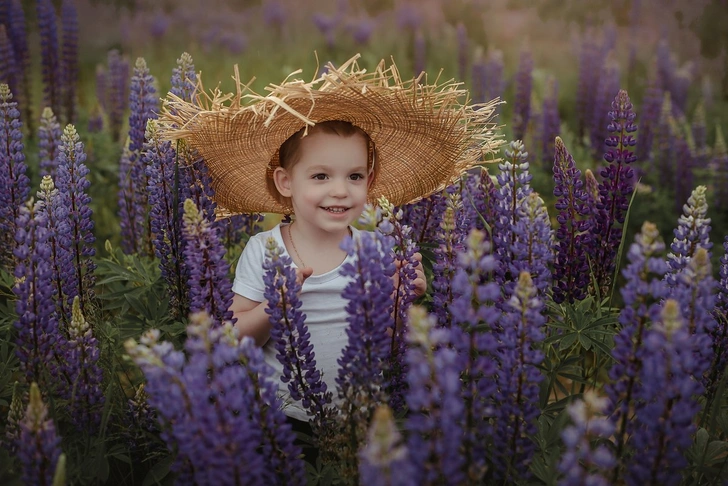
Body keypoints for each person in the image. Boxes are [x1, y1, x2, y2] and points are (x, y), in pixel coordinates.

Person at [159, 54, 502, 423]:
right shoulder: (263, 250)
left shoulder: (376, 249)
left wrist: (402, 299)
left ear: (369, 183)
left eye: (354, 176)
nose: (340, 191)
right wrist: (276, 303)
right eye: (321, 176)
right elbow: (235, 336)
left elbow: (387, 339)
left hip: (366, 414)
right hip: (283, 422)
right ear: (285, 182)